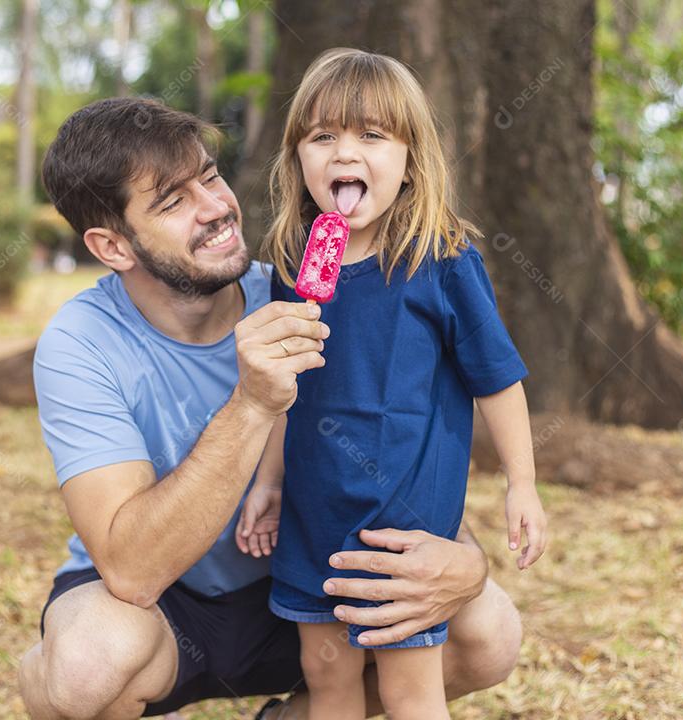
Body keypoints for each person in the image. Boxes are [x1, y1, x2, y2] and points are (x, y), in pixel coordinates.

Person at [18, 96, 523, 720]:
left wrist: (467, 561)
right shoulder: (81, 342)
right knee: (87, 665)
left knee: (489, 631)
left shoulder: (303, 293)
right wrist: (254, 399)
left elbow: (396, 453)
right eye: (173, 202)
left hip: (310, 585)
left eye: (209, 176)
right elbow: (132, 571)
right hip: (163, 608)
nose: (216, 208)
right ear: (113, 246)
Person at [235, 49, 547, 720]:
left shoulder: (441, 260)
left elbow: (497, 379)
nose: (344, 153)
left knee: (409, 690)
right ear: (297, 159)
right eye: (323, 137)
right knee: (328, 680)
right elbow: (283, 391)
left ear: (411, 159)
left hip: (401, 529)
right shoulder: (293, 265)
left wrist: (522, 481)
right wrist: (267, 482)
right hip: (313, 514)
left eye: (371, 135)